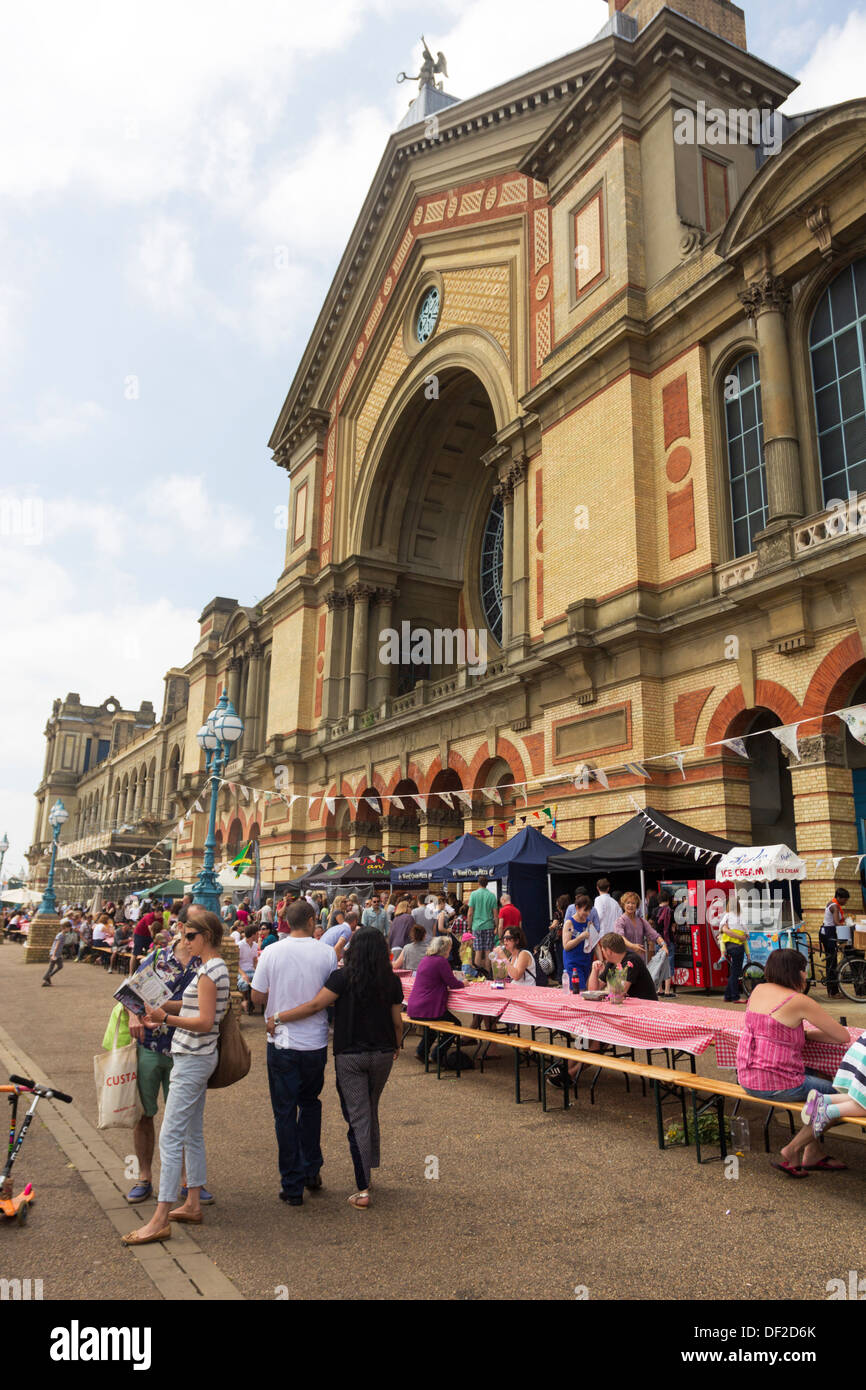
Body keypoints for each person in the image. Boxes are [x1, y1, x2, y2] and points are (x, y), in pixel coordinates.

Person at [268, 928, 404, 1209]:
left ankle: (363, 1186)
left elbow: (316, 1005)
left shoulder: (343, 977)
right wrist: (397, 1044)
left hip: (350, 1054)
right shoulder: (390, 980)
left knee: (357, 1117)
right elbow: (397, 1021)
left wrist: (279, 1017)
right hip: (382, 1052)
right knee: (370, 1108)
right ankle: (368, 1167)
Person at [122, 909, 229, 1244]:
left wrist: (165, 1019)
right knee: (191, 1134)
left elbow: (205, 1021)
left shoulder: (210, 970)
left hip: (192, 1057)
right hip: (198, 1055)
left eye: (191, 936)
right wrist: (162, 1010)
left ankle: (159, 1218)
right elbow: (192, 1008)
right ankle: (193, 1202)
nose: (186, 942)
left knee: (170, 1136)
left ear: (206, 936)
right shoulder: (211, 968)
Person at [251, 900, 338, 1206]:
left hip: (282, 1042)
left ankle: (292, 1183)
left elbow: (257, 995)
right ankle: (311, 1168)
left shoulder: (272, 951)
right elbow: (330, 995)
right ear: (313, 920)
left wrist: (277, 998)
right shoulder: (326, 952)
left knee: (285, 1113)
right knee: (311, 1104)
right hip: (314, 1042)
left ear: (286, 921)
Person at [735, 948, 851, 1177]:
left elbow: (780, 1030)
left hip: (747, 1077)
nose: (805, 976)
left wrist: (803, 1035)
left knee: (817, 1085)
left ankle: (812, 1152)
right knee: (847, 1099)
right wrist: (808, 1034)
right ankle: (793, 1148)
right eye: (803, 970)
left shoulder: (757, 990)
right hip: (778, 1083)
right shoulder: (798, 1001)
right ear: (794, 973)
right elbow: (842, 1036)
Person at [123, 932, 211, 1206]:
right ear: (183, 929)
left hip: (184, 1050)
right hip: (149, 1046)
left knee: (184, 1120)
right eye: (193, 931)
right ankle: (144, 1177)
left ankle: (189, 1181)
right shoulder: (158, 958)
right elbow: (128, 991)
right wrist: (133, 1016)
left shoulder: (204, 965)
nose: (194, 938)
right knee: (144, 1115)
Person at [406, 935, 466, 1060]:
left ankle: (421, 1051)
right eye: (449, 948)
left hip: (414, 1007)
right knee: (455, 1025)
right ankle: (437, 1055)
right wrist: (464, 983)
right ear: (445, 949)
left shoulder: (426, 959)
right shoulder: (441, 961)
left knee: (432, 1028)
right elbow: (453, 983)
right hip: (428, 1007)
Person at [586, 932, 658, 1002]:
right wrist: (594, 970)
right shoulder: (611, 963)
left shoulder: (632, 961)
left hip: (646, 1005)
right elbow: (593, 991)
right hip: (629, 1006)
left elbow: (619, 993)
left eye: (603, 950)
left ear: (609, 951)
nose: (602, 953)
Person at [614, 891, 667, 963]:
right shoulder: (620, 921)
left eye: (633, 903)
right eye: (628, 903)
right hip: (625, 960)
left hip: (640, 961)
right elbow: (620, 937)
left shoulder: (641, 921)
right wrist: (632, 946)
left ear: (637, 905)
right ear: (623, 905)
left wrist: (663, 945)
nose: (630, 905)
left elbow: (654, 935)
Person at [562, 895, 599, 992]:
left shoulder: (588, 923)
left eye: (589, 911)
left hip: (586, 962)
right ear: (577, 908)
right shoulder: (569, 923)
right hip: (573, 963)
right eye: (585, 910)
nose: (587, 913)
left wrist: (601, 961)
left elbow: (595, 944)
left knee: (587, 990)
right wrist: (580, 937)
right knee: (579, 990)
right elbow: (566, 946)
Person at [820, 887, 851, 998]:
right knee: (831, 962)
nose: (845, 902)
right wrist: (848, 927)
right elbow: (836, 922)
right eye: (845, 900)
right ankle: (833, 992)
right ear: (839, 897)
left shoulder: (833, 903)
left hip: (827, 932)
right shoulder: (834, 906)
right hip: (828, 933)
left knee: (831, 961)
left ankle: (833, 991)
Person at [718, 894, 749, 1002]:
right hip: (738, 946)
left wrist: (723, 929)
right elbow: (745, 926)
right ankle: (735, 997)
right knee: (736, 973)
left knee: (733, 971)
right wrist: (747, 933)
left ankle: (727, 996)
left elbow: (721, 925)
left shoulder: (727, 915)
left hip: (729, 946)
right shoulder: (740, 915)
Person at [467, 874, 498, 975]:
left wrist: (469, 926)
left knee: (478, 951)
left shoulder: (473, 894)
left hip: (477, 926)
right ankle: (488, 973)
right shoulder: (492, 896)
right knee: (488, 951)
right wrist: (496, 926)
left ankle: (478, 974)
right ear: (487, 884)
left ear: (478, 883)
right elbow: (495, 914)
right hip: (489, 926)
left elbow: (470, 913)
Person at [655, 889, 676, 997]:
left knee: (659, 964)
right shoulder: (670, 911)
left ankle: (660, 989)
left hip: (658, 941)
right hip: (668, 941)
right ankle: (667, 991)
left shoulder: (654, 911)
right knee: (669, 965)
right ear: (668, 900)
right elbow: (672, 927)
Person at [237, 924, 260, 1015]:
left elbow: (254, 961)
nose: (259, 935)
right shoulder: (240, 945)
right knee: (243, 983)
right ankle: (244, 1000)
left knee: (260, 982)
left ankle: (251, 1001)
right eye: (257, 933)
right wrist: (243, 974)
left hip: (252, 970)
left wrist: (258, 971)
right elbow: (236, 963)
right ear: (253, 934)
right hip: (242, 971)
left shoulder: (255, 945)